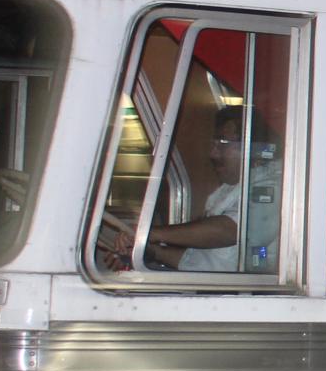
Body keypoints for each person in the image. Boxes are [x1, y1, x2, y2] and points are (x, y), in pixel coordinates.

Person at [116, 107, 280, 272]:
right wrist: (152, 251)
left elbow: (231, 231)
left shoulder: (274, 186)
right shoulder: (229, 190)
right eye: (214, 144)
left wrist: (150, 233)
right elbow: (204, 261)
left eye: (222, 145)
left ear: (252, 148)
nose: (213, 154)